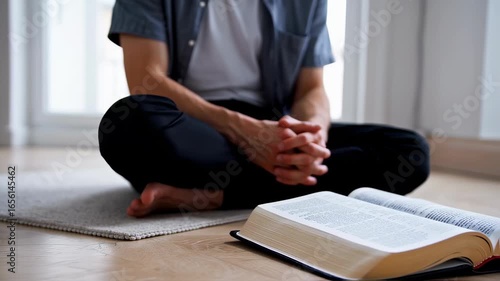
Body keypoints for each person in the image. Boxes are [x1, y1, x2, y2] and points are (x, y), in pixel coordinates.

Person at [98, 0, 430, 218]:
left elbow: (312, 88)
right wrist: (244, 132)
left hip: (275, 126)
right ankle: (262, 187)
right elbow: (147, 81)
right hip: (195, 128)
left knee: (410, 152)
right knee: (129, 123)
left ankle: (211, 196)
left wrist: (310, 137)